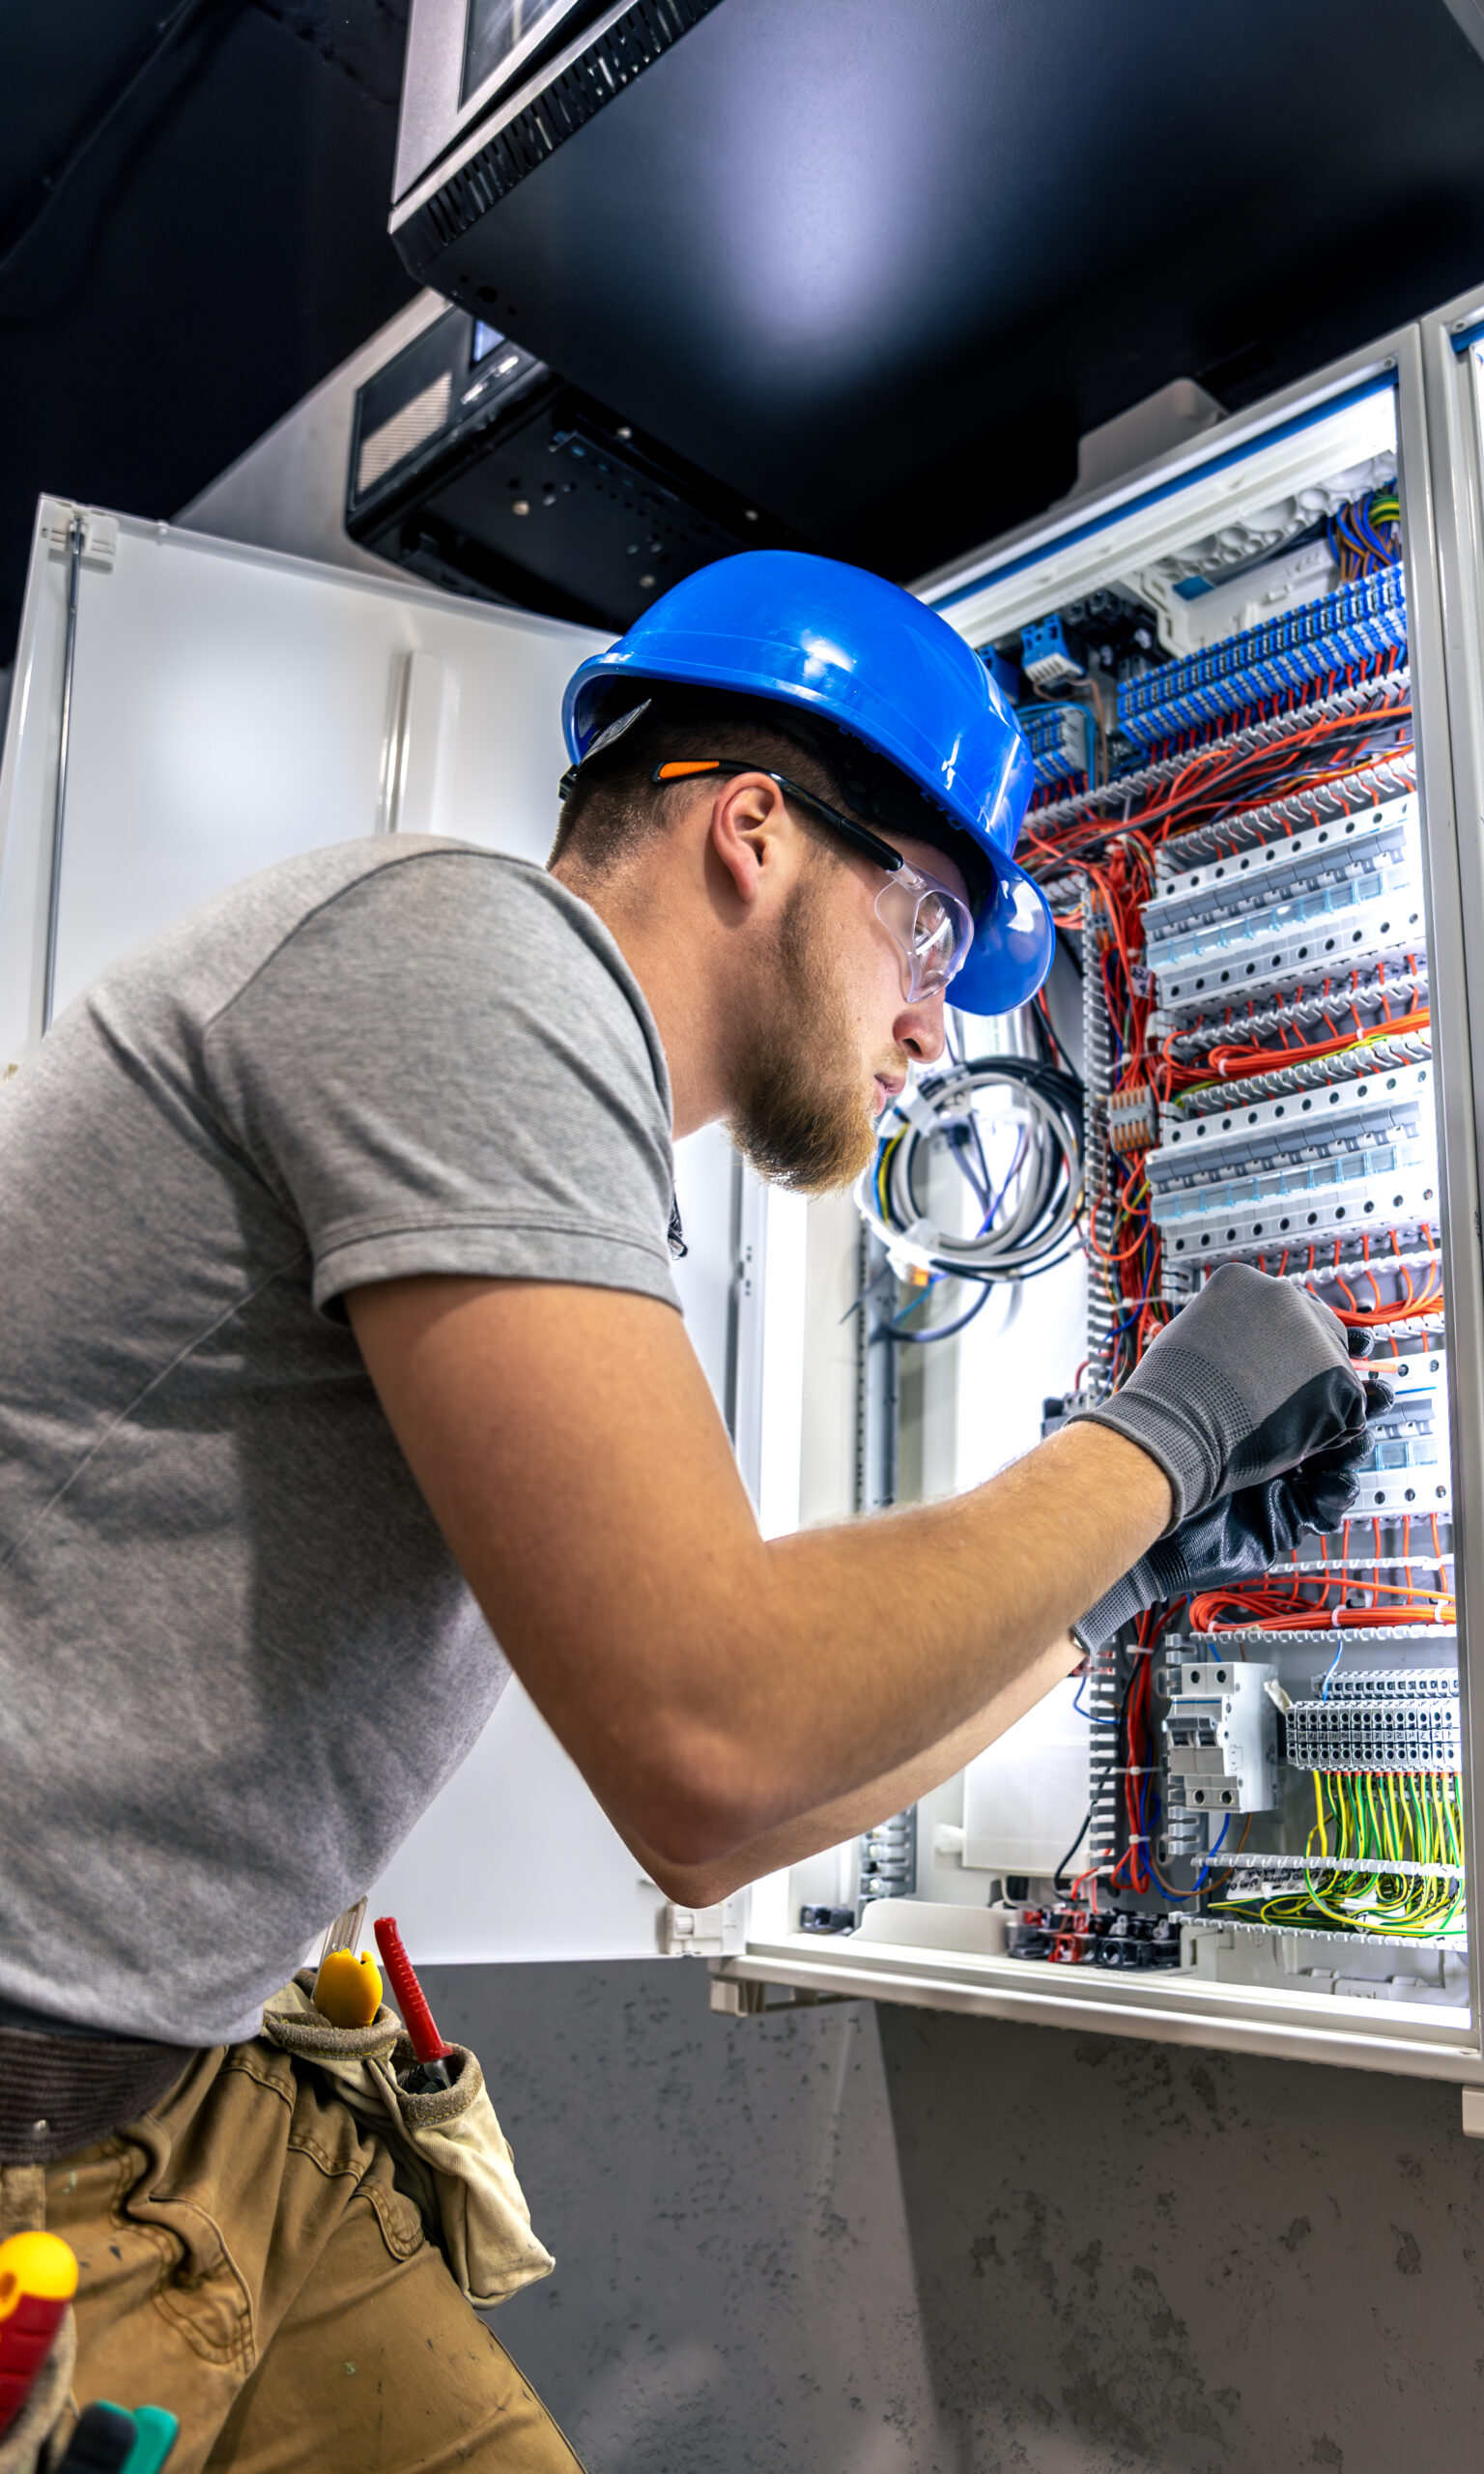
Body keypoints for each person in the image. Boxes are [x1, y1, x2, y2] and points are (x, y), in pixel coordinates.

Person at [0, 551, 1376, 2467]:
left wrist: (1117, 1581)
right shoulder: (466, 964)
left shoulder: (546, 1141)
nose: (932, 1029)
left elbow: (732, 1825)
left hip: (196, 2101)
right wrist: (1162, 1429)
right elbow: (714, 1736)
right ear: (751, 832)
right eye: (926, 937)